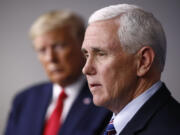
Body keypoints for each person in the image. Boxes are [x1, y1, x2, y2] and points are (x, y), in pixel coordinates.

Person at [4, 10, 112, 135]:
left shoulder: (106, 100)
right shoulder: (24, 100)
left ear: (83, 45)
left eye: (59, 46)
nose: (51, 58)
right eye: (42, 50)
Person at [81, 4, 180, 135]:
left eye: (101, 54)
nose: (86, 69)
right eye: (87, 55)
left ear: (143, 61)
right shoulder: (106, 125)